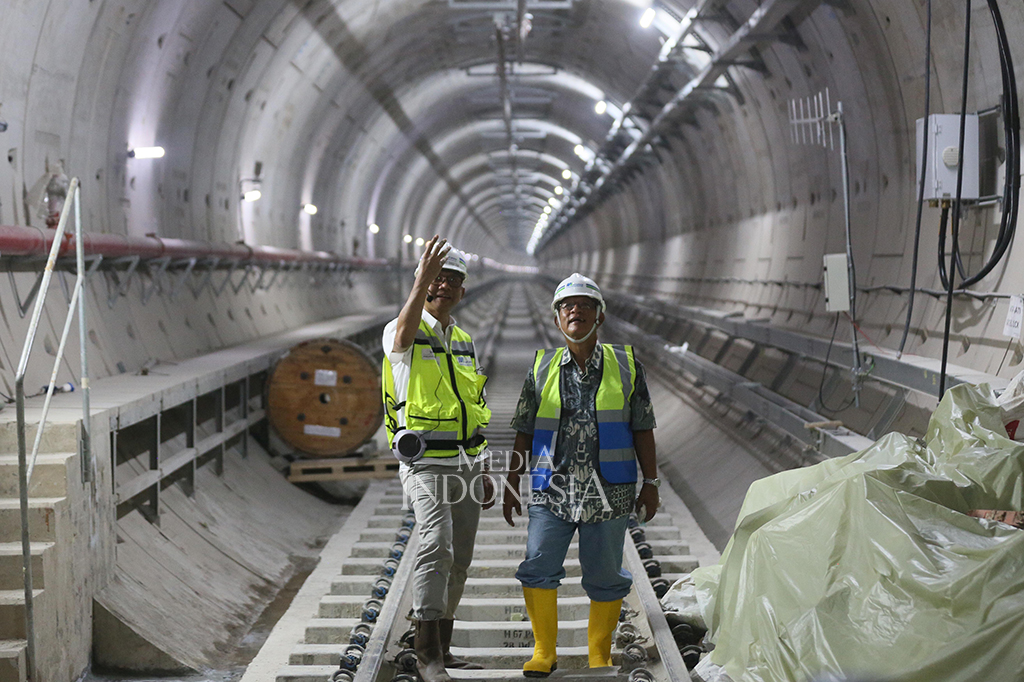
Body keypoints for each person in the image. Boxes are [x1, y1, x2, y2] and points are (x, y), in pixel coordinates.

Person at [502, 272, 660, 678]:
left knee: (606, 573)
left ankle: (598, 654)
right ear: (557, 318)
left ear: (599, 316)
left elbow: (643, 425)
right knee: (538, 564)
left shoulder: (626, 366)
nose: (575, 311)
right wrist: (511, 482)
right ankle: (543, 651)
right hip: (551, 489)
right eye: (567, 306)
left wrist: (651, 483)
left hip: (609, 490)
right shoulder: (541, 367)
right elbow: (524, 428)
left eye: (585, 305)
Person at [381, 236, 494, 682]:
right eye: (437, 278)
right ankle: (424, 651)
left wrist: (482, 468)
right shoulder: (403, 328)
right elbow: (405, 336)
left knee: (461, 555)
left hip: (466, 461)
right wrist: (421, 281)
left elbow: (474, 404)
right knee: (435, 544)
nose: (444, 285)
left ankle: (443, 648)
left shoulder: (464, 339)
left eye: (453, 280)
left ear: (463, 291)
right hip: (425, 462)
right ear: (423, 282)